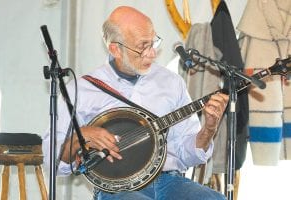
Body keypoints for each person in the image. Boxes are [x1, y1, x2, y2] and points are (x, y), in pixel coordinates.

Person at [42, 6, 229, 200]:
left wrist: (208, 130)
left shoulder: (171, 82)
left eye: (153, 43)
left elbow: (186, 153)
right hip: (117, 190)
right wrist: (80, 137)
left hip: (170, 182)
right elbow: (51, 159)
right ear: (115, 49)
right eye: (143, 46)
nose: (152, 54)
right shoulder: (82, 89)